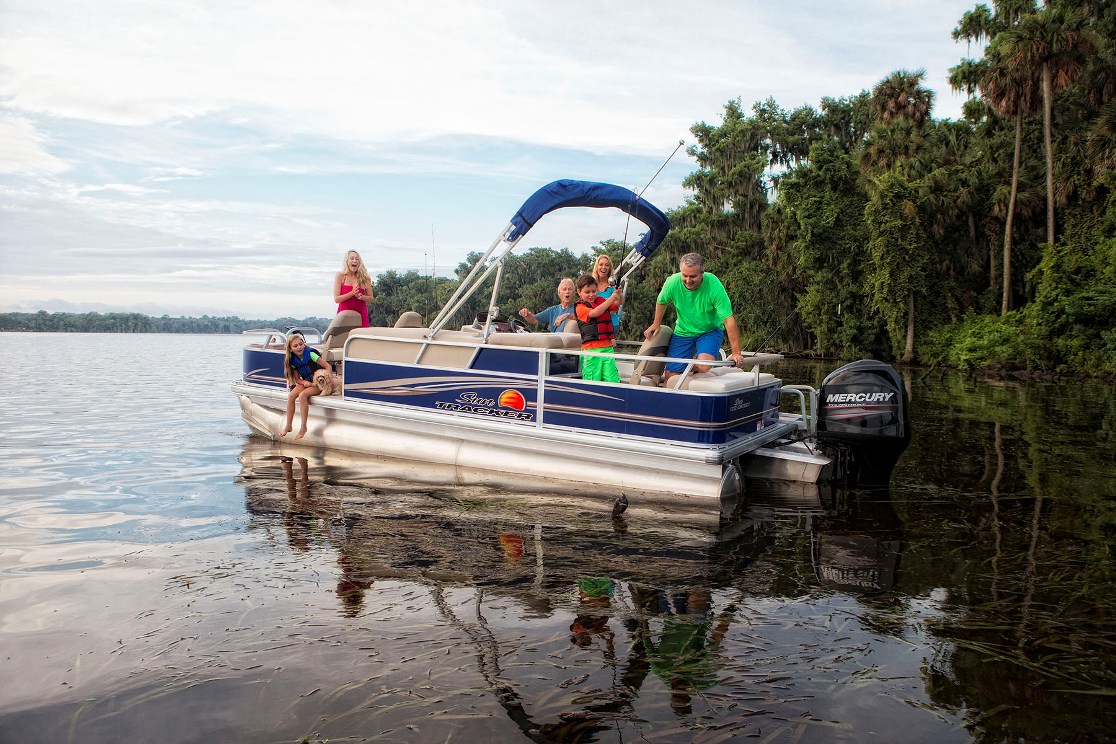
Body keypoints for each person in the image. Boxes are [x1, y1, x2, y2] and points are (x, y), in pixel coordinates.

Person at [644, 252, 744, 379]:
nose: (688, 280)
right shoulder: (672, 282)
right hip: (683, 331)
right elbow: (661, 301)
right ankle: (687, 369)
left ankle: (691, 366)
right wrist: (656, 323)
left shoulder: (713, 285)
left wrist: (736, 352)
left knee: (703, 365)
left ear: (702, 273)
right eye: (684, 275)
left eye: (693, 276)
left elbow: (729, 320)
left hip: (709, 330)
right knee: (671, 376)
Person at [281, 333, 333, 440]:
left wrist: (326, 381)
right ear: (290, 349)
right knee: (291, 396)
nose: (299, 347)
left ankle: (303, 427)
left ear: (304, 344)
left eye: (301, 344)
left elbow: (328, 366)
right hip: (307, 382)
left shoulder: (311, 354)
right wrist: (304, 382)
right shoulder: (292, 361)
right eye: (295, 346)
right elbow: (297, 379)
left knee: (303, 395)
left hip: (319, 382)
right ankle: (288, 425)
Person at [574, 273, 623, 383]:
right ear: (579, 292)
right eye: (587, 292)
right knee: (592, 382)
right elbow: (595, 313)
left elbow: (618, 302)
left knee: (613, 381)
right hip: (591, 351)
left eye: (594, 291)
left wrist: (619, 293)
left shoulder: (602, 300)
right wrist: (611, 298)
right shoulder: (580, 307)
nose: (591, 295)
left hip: (607, 348)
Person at [333, 250, 374, 327]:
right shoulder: (340, 276)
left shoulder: (365, 278)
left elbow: (370, 298)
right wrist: (352, 293)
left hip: (361, 314)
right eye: (351, 258)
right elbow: (336, 299)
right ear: (347, 261)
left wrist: (360, 296)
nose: (354, 261)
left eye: (357, 259)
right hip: (344, 315)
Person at [591, 253, 624, 335]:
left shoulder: (613, 286)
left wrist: (619, 293)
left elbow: (617, 304)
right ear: (597, 267)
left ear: (609, 268)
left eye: (607, 265)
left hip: (611, 324)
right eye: (601, 265)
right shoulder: (591, 284)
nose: (603, 267)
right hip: (594, 325)